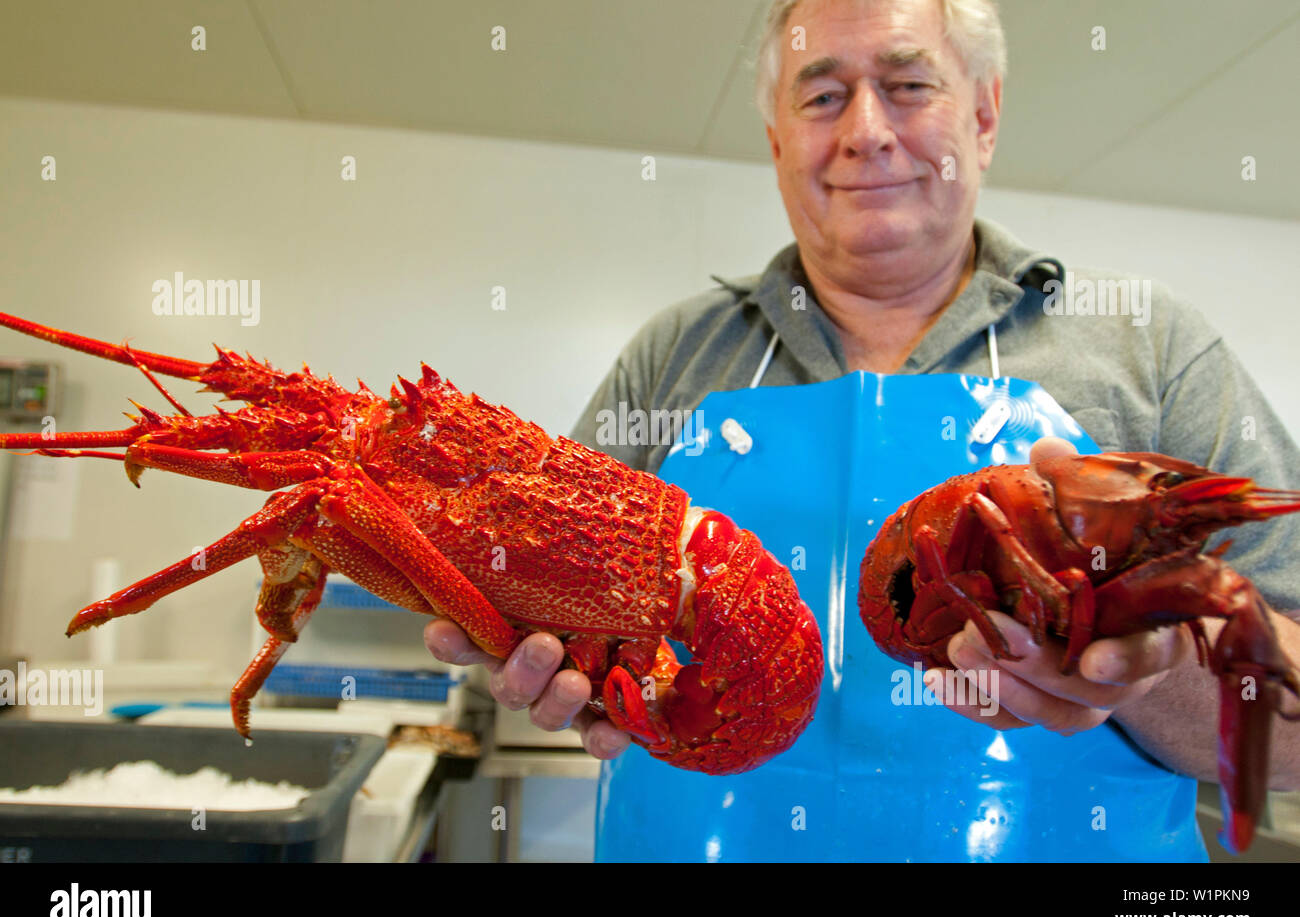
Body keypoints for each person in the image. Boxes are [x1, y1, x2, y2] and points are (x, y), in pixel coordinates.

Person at [425, 0, 1300, 858]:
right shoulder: (672, 355)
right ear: (776, 140)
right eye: (821, 95)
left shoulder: (1152, 344)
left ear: (985, 115)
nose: (868, 130)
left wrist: (1151, 673)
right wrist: (526, 646)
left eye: (910, 84)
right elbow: (530, 607)